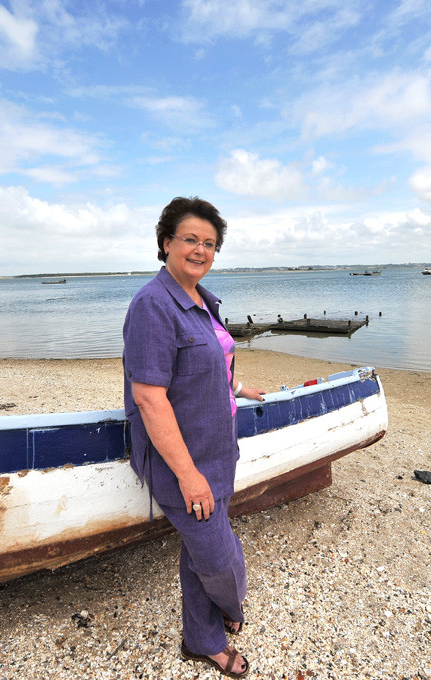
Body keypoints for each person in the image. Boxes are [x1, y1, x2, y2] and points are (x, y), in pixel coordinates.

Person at [123, 196, 264, 678]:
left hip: (218, 448)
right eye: (190, 239)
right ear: (166, 243)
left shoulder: (205, 299)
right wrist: (187, 475)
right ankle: (231, 606)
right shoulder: (152, 306)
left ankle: (200, 638)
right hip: (183, 460)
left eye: (209, 243)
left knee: (198, 550)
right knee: (220, 558)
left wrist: (242, 389)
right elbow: (150, 398)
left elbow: (215, 363)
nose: (200, 249)